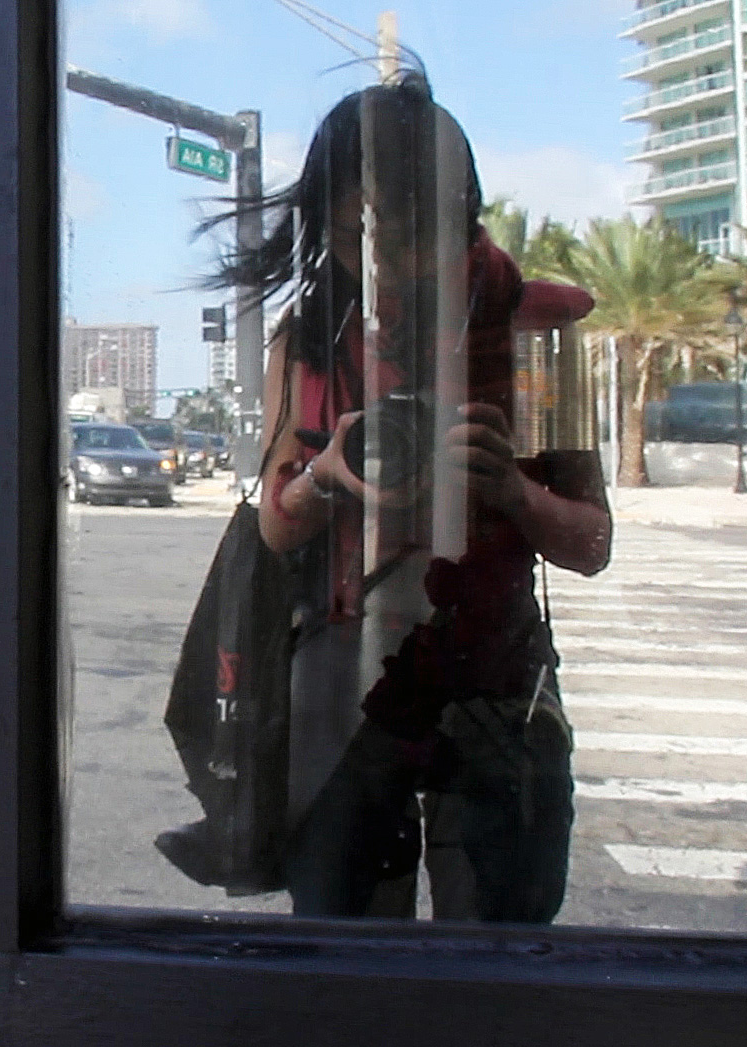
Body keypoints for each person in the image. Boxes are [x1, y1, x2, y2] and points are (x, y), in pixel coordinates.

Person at [231, 77, 612, 922]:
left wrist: (509, 488)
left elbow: (591, 545)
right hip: (344, 683)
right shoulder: (312, 337)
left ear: (461, 210)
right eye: (351, 237)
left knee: (497, 957)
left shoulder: (533, 335)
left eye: (407, 234)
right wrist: (330, 471)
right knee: (348, 962)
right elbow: (277, 527)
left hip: (493, 683)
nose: (382, 266)